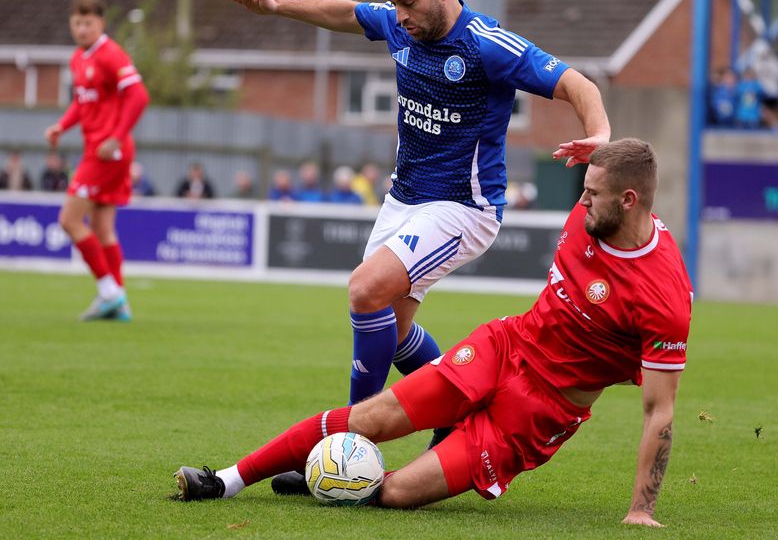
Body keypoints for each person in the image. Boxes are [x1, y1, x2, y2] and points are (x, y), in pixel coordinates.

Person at [216, 0, 610, 468]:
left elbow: (577, 83)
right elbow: (349, 13)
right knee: (394, 333)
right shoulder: (399, 23)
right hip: (403, 202)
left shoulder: (487, 45)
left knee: (364, 289)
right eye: (395, 4)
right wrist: (276, 6)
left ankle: (349, 447)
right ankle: (457, 407)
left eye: (409, 3)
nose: (399, 17)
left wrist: (600, 137)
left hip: (463, 208)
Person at [174, 139, 692, 528]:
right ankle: (225, 481)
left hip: (538, 412)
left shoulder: (664, 296)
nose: (580, 204)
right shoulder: (595, 212)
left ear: (628, 201)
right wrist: (595, 140)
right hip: (503, 347)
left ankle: (327, 478)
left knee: (397, 494)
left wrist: (641, 510)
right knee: (368, 419)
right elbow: (625, 155)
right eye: (583, 190)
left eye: (592, 195)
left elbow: (658, 411)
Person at [43, 0, 149, 322]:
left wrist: (116, 137)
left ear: (100, 23)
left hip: (107, 152)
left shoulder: (111, 54)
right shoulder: (79, 58)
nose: (81, 28)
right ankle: (120, 304)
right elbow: (82, 100)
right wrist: (62, 125)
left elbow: (139, 96)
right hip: (99, 150)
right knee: (103, 230)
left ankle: (110, 293)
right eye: (76, 22)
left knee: (69, 220)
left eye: (88, 22)